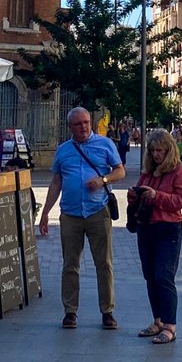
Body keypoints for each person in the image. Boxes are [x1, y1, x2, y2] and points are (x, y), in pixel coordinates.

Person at [39, 106, 125, 330]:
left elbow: (120, 171)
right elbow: (56, 182)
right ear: (70, 127)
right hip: (70, 214)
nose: (84, 127)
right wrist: (46, 212)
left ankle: (107, 311)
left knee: (104, 264)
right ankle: (70, 311)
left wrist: (103, 180)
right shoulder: (63, 150)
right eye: (78, 124)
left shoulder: (105, 144)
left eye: (86, 122)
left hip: (98, 211)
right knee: (70, 264)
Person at [128, 129, 182, 345]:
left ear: (169, 150)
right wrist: (134, 196)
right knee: (150, 276)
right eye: (152, 150)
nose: (156, 155)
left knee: (164, 276)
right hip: (146, 228)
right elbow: (139, 199)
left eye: (160, 150)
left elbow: (179, 201)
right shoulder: (148, 172)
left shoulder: (179, 171)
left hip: (168, 228)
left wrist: (156, 196)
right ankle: (157, 320)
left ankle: (170, 326)